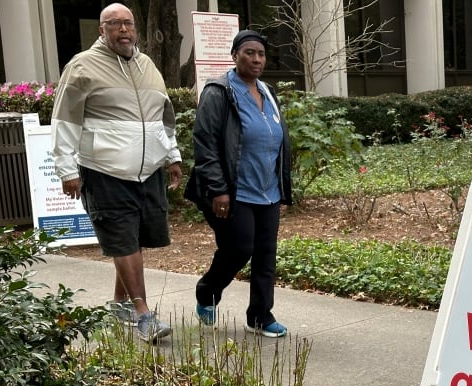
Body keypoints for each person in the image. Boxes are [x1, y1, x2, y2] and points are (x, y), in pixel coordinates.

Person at [51, 2, 183, 343]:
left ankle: (120, 304)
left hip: (148, 171)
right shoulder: (82, 66)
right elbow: (65, 121)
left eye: (128, 23)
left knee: (133, 240)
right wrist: (67, 170)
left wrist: (172, 156)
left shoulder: (148, 65)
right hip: (104, 171)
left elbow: (163, 118)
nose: (123, 29)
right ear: (102, 29)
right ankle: (143, 314)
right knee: (122, 239)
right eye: (114, 24)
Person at [185, 30, 293, 337]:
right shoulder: (219, 91)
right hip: (234, 191)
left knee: (265, 256)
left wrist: (281, 187)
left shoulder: (267, 92)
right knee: (240, 247)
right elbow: (204, 143)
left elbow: (278, 141)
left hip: (267, 190)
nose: (256, 59)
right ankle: (207, 291)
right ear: (235, 55)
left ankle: (260, 316)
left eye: (261, 54)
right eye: (249, 52)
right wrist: (218, 188)